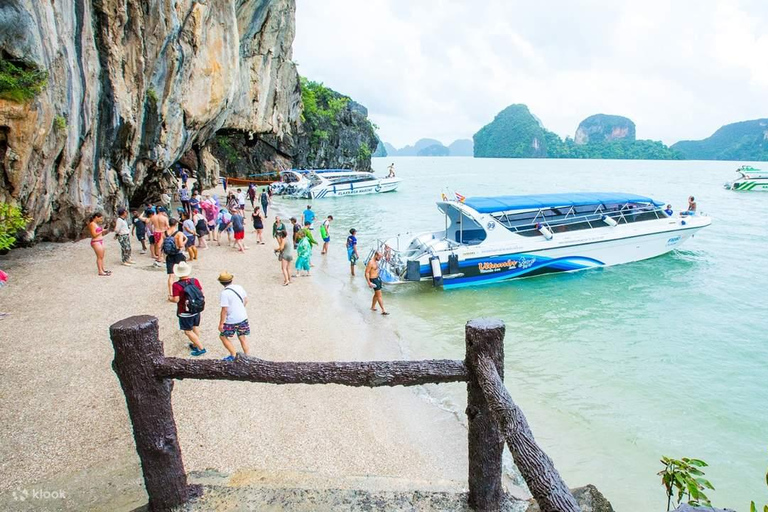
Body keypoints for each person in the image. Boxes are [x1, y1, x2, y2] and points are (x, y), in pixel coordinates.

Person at [169, 261, 206, 356]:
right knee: (194, 327)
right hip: (196, 309)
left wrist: (170, 298)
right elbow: (201, 292)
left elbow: (176, 299)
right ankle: (195, 344)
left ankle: (201, 348)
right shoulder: (195, 281)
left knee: (188, 331)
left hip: (185, 311)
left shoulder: (176, 285)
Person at [217, 271, 250, 361]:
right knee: (242, 337)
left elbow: (224, 310)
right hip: (242, 317)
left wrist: (221, 323)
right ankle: (247, 358)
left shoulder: (224, 293)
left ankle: (233, 355)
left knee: (223, 336)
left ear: (221, 282)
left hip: (231, 320)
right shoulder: (239, 287)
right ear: (231, 280)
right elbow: (246, 300)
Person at [164, 218, 187, 298]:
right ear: (176, 224)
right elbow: (180, 245)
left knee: (171, 275)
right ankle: (183, 290)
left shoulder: (165, 233)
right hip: (178, 254)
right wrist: (185, 240)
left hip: (169, 255)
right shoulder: (179, 233)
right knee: (183, 273)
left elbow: (161, 244)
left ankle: (171, 293)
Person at [365, 251, 388, 315]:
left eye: (381, 257)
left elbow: (384, 256)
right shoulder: (371, 262)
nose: (380, 258)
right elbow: (366, 272)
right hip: (373, 280)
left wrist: (387, 251)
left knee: (376, 294)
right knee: (379, 295)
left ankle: (372, 307)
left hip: (377, 279)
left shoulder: (376, 261)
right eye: (379, 257)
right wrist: (369, 282)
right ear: (376, 255)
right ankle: (383, 310)